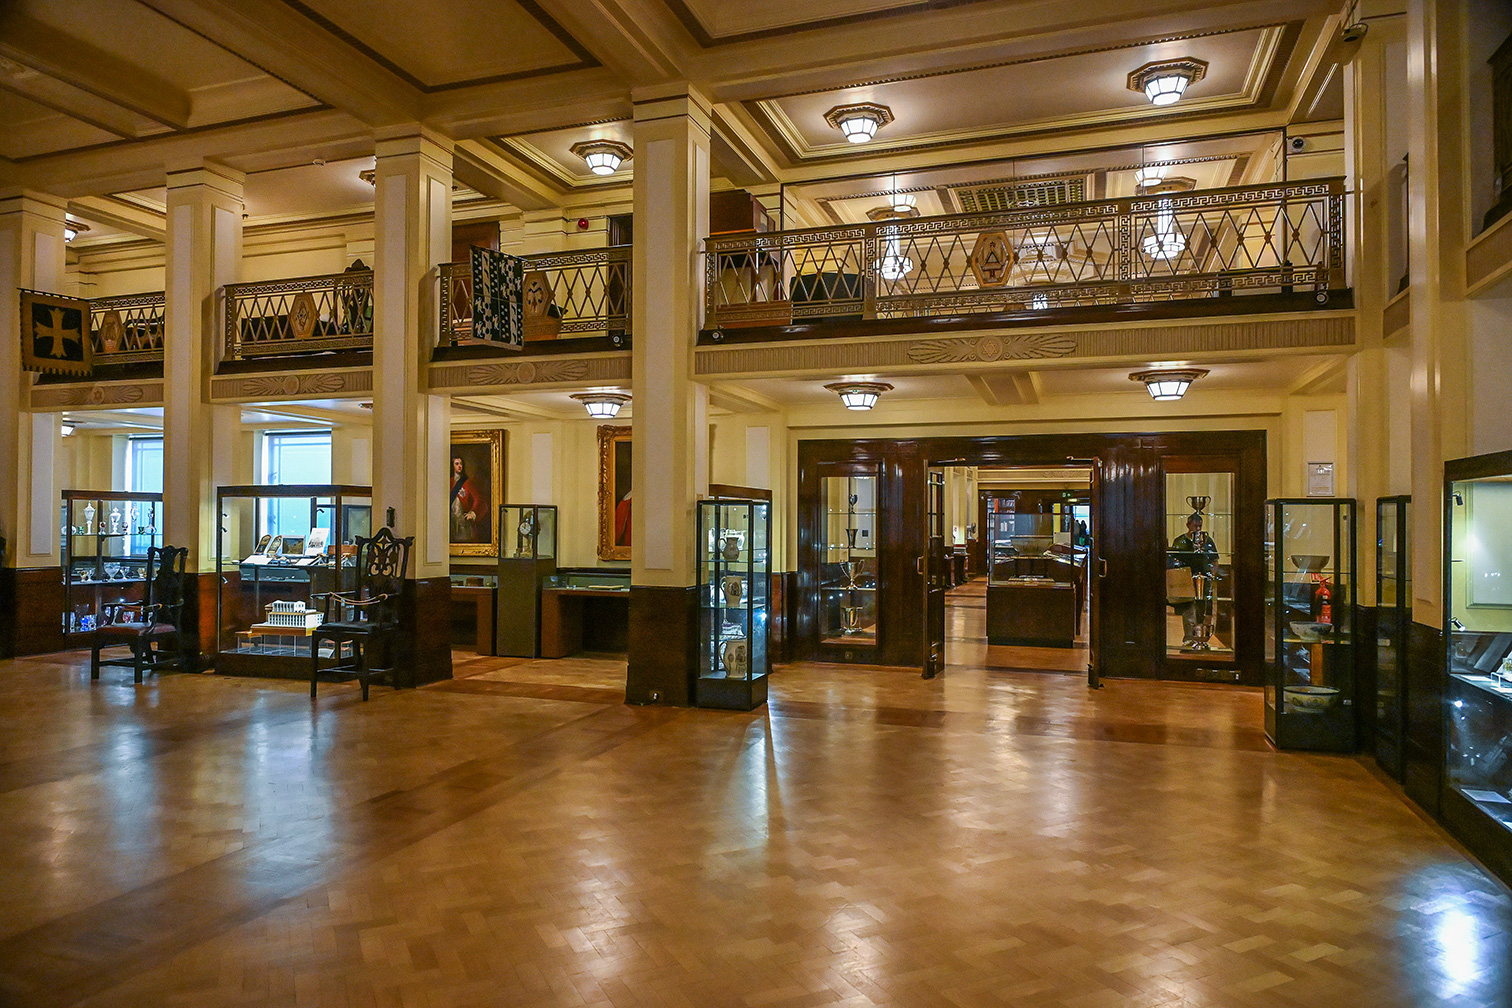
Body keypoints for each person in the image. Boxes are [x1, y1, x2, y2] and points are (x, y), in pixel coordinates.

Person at [1168, 512, 1219, 648]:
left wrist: (1212, 575)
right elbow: (1173, 561)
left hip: (1205, 579)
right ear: (1188, 525)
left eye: (1200, 526)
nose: (1197, 529)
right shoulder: (1180, 541)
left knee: (1204, 609)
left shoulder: (1207, 540)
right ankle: (1190, 637)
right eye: (1195, 526)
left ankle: (1203, 638)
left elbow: (1214, 559)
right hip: (1186, 580)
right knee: (1188, 609)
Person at [450, 456, 486, 542]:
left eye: (461, 464)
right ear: (453, 466)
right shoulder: (449, 482)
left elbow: (479, 500)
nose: (459, 466)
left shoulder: (467, 482)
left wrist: (473, 513)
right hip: (452, 525)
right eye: (457, 464)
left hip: (464, 525)